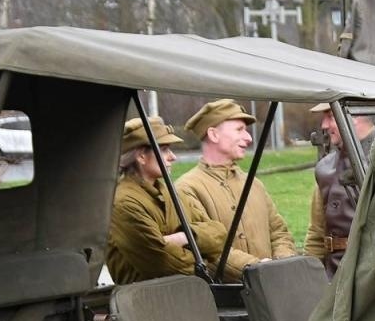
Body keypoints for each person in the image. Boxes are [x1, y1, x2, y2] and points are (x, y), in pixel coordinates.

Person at [174, 99, 296, 282]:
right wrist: (258, 269)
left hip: (273, 291)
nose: (249, 138)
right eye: (239, 130)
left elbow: (279, 232)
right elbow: (204, 248)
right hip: (226, 303)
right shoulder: (187, 188)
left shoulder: (253, 183)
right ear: (214, 134)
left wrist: (281, 263)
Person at [107, 117, 227, 285]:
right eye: (164, 149)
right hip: (145, 303)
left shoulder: (173, 193)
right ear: (141, 156)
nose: (173, 157)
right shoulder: (123, 203)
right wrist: (203, 259)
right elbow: (161, 263)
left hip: (184, 296)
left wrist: (184, 237)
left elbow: (219, 234)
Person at [303, 102, 375, 276]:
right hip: (333, 273)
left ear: (354, 115)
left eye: (330, 116)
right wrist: (311, 276)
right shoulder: (325, 169)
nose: (324, 125)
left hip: (373, 272)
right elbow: (317, 232)